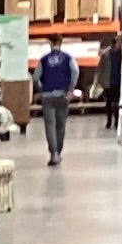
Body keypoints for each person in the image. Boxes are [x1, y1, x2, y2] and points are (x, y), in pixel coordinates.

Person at [35, 35, 76, 165]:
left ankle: (54, 154)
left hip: (47, 96)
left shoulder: (43, 60)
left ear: (50, 43)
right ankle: (59, 150)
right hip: (63, 95)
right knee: (61, 125)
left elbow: (36, 77)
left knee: (50, 125)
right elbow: (75, 71)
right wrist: (70, 89)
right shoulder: (68, 58)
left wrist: (41, 90)